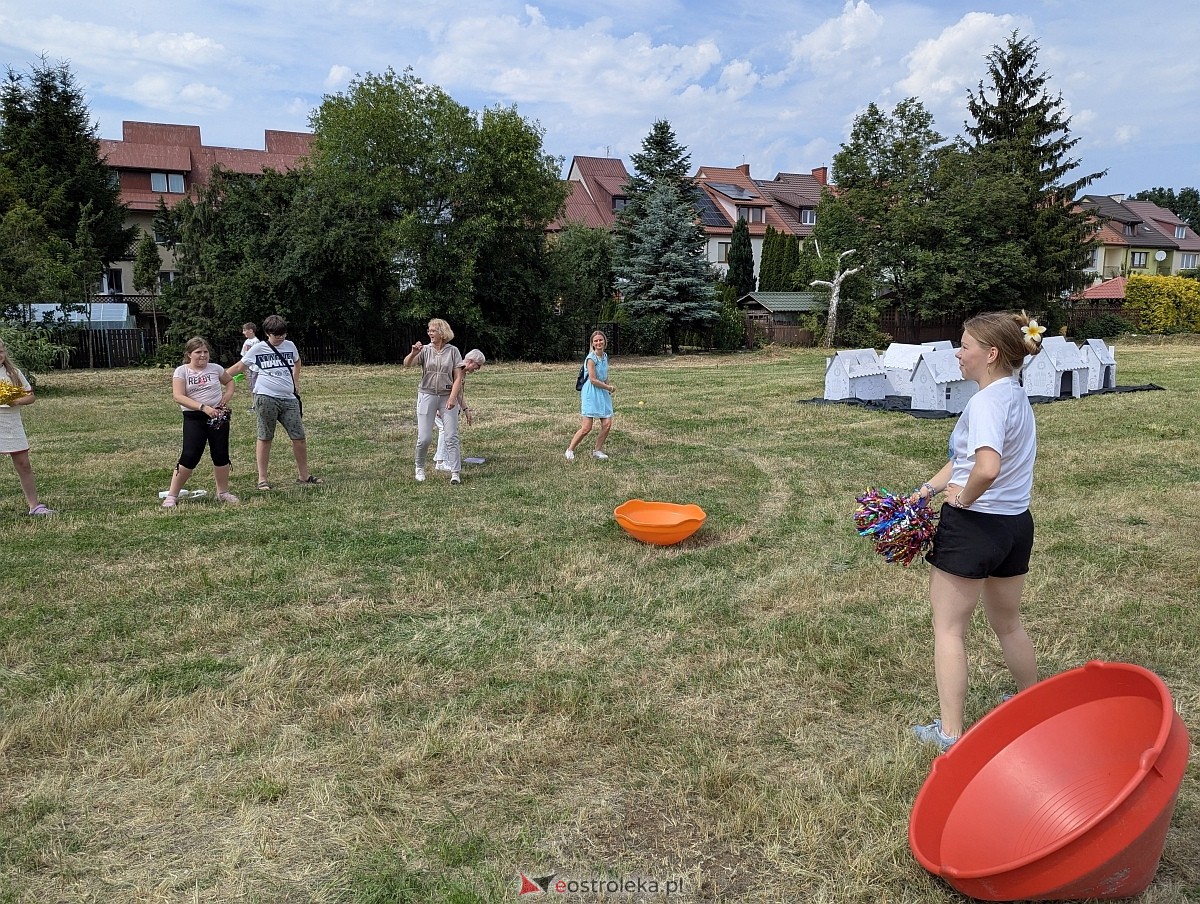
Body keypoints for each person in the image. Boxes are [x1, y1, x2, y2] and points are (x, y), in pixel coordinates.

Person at [910, 311, 1045, 752]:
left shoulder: (985, 403)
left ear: (990, 354)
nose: (957, 353)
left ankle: (949, 735)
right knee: (1008, 624)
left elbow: (985, 468)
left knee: (949, 630)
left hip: (974, 527)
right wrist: (926, 491)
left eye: (965, 345)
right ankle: (1033, 704)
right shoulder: (1014, 395)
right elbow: (966, 458)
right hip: (1014, 526)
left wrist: (963, 499)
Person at [225, 314, 322, 490]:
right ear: (267, 333)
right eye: (277, 335)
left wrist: (295, 381)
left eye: (283, 334)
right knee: (265, 437)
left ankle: (304, 476)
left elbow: (297, 361)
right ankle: (262, 479)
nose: (281, 338)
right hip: (266, 398)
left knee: (299, 437)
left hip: (289, 399)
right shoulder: (258, 348)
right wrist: (217, 378)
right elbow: (239, 367)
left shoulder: (290, 345)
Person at [162, 337, 238, 508]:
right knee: (190, 455)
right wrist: (203, 408)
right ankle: (172, 495)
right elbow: (178, 396)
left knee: (220, 453)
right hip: (194, 417)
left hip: (217, 416)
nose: (203, 355)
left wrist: (226, 396)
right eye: (198, 352)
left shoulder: (215, 369)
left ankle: (223, 492)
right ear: (189, 354)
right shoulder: (182, 371)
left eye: (205, 352)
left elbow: (229, 381)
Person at [404, 318, 464, 484]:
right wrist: (413, 353)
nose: (430, 333)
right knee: (424, 438)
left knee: (451, 436)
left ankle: (455, 473)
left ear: (442, 333)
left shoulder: (453, 351)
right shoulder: (425, 350)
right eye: (429, 330)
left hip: (446, 396)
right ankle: (419, 468)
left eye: (433, 330)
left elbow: (458, 377)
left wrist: (452, 398)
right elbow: (407, 364)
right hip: (427, 395)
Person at [0, 338, 54, 515]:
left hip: (11, 423)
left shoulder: (14, 373)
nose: (0, 355)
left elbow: (30, 397)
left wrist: (15, 400)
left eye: (1, 351)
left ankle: (34, 506)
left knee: (23, 464)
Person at [565, 330, 615, 461]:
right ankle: (570, 449)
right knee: (587, 427)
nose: (598, 343)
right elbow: (593, 380)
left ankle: (597, 450)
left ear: (605, 341)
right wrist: (608, 387)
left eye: (600, 340)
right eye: (596, 341)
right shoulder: (591, 359)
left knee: (607, 424)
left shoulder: (605, 356)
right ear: (592, 343)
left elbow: (604, 375)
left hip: (603, 392)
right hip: (591, 393)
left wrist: (607, 388)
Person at [434, 348, 486, 472]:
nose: (478, 369)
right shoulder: (454, 369)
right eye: (478, 365)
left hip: (450, 407)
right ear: (471, 361)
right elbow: (438, 386)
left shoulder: (463, 373)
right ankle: (441, 462)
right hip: (441, 405)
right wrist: (437, 407)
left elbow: (459, 393)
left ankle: (439, 456)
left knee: (448, 431)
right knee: (445, 431)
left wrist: (466, 410)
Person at [239, 322, 259, 404]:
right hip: (249, 368)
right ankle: (254, 403)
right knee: (251, 385)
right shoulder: (246, 341)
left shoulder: (256, 341)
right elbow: (244, 355)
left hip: (256, 368)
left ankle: (256, 404)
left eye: (244, 330)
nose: (243, 332)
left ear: (250, 331)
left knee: (255, 386)